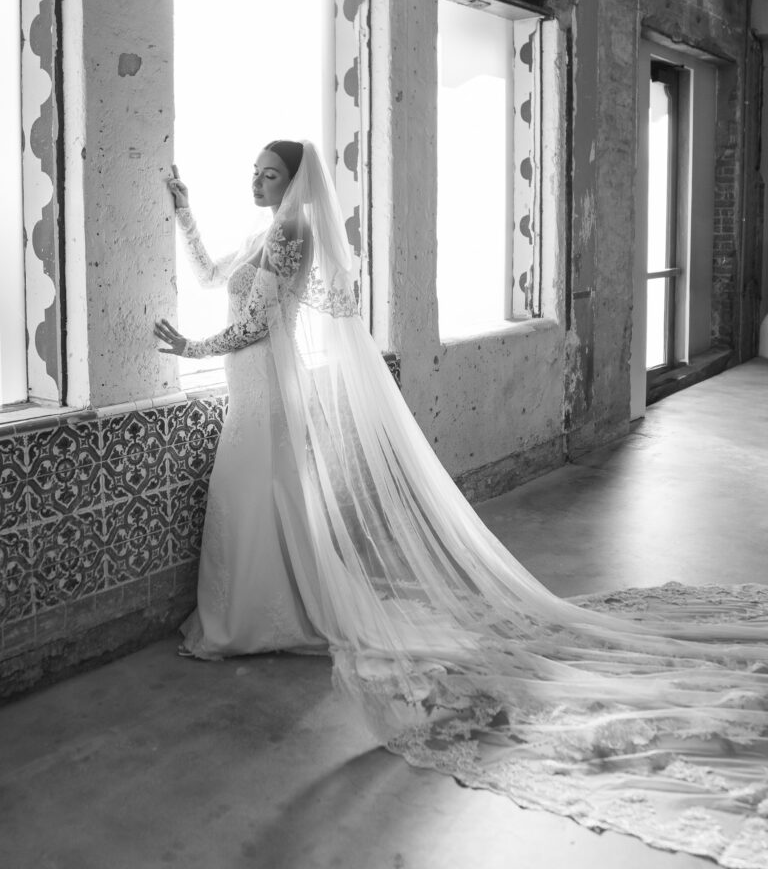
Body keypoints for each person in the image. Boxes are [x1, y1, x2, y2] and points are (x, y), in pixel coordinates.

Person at [156, 141, 768, 868]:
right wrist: (185, 211)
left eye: (270, 175)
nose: (257, 182)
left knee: (256, 498)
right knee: (257, 502)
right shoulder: (262, 234)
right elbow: (209, 275)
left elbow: (256, 326)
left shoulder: (292, 232)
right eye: (254, 172)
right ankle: (265, 608)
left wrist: (190, 348)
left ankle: (257, 617)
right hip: (251, 389)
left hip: (264, 390)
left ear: (295, 185)